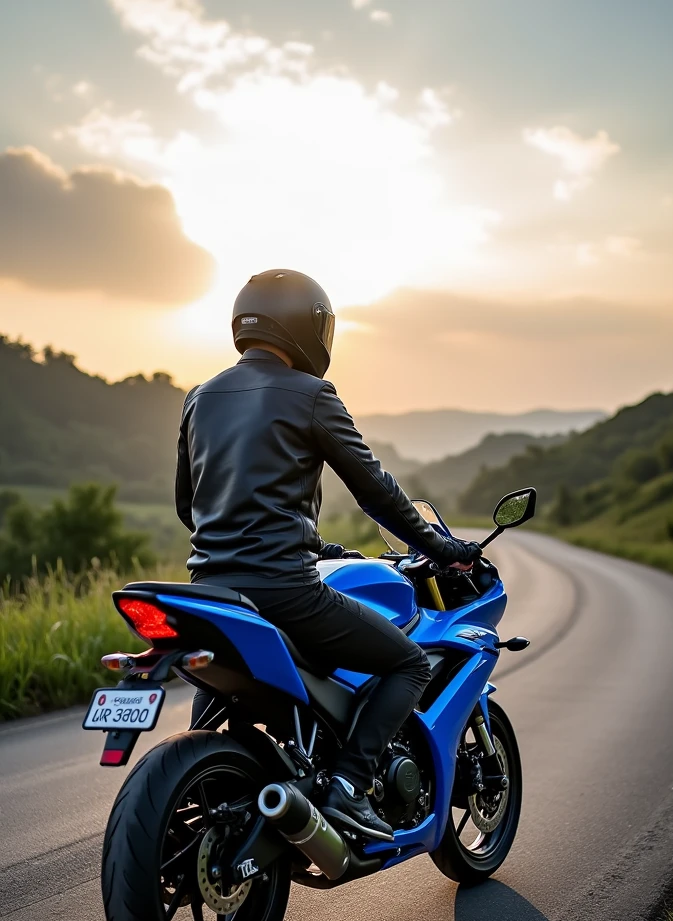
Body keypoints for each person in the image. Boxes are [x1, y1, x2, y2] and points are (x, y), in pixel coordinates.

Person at [175, 269, 482, 842]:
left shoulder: (200, 398)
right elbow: (376, 491)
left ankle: (202, 803)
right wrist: (442, 547)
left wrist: (309, 541)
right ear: (307, 327)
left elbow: (190, 508)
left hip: (211, 592)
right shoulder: (312, 395)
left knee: (216, 683)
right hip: (284, 592)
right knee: (408, 663)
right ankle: (347, 785)